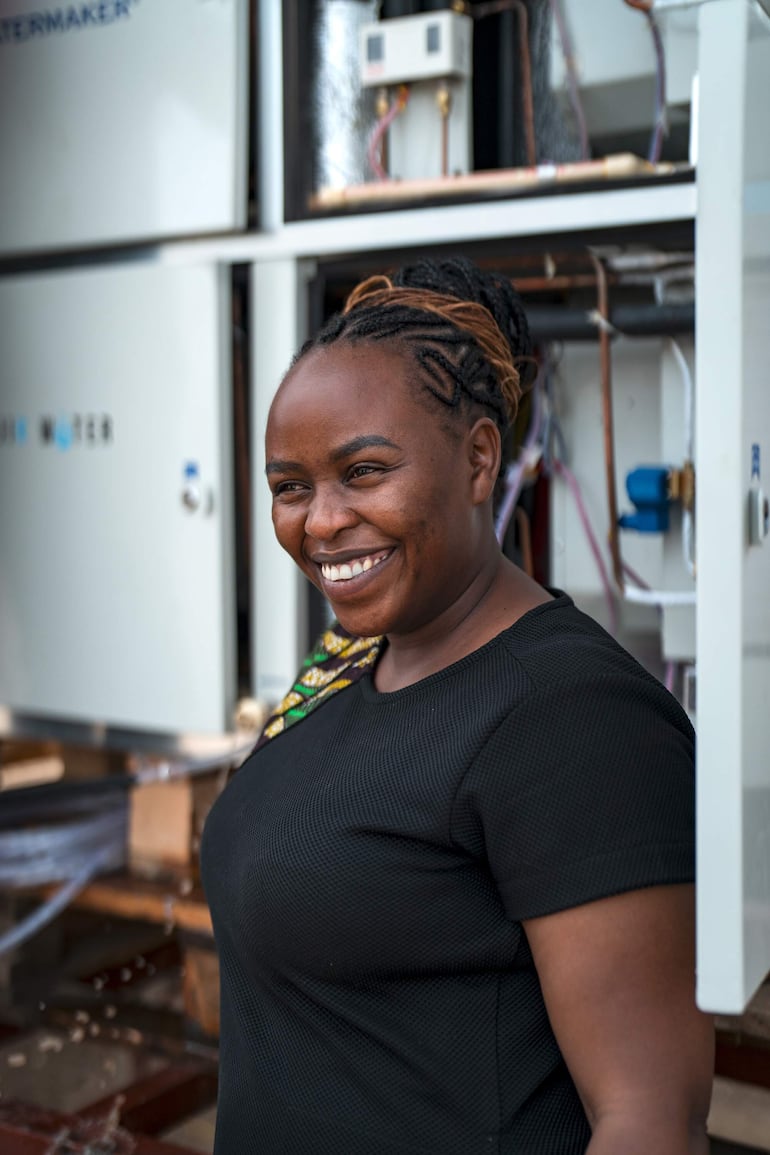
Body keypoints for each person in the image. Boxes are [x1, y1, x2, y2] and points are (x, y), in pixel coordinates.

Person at [201, 256, 714, 1154]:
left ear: (480, 458)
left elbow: (649, 1119)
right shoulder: (353, 656)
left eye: (363, 472)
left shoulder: (574, 721)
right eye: (291, 486)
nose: (319, 522)